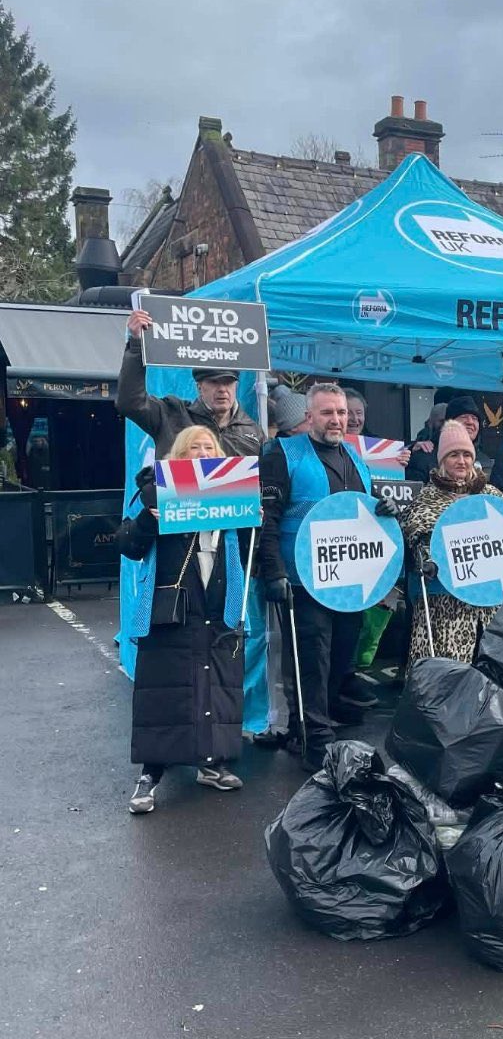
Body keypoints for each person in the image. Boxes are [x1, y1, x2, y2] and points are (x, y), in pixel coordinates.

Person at [258, 383, 398, 771]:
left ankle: (308, 724)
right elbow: (267, 518)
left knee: (341, 655)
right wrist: (273, 571)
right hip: (302, 578)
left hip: (349, 579)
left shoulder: (354, 455)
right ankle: (315, 738)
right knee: (311, 658)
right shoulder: (282, 454)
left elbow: (366, 506)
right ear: (309, 416)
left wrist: (384, 507)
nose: (336, 419)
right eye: (327, 413)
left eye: (341, 412)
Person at [117, 426, 248, 814]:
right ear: (177, 456)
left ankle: (211, 763)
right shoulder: (157, 492)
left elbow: (244, 551)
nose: (203, 453)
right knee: (164, 692)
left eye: (209, 447)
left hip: (217, 602)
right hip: (171, 606)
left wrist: (252, 518)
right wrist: (148, 519)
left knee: (215, 686)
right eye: (194, 448)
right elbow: (128, 545)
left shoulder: (233, 492)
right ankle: (151, 772)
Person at [400, 421, 503, 663]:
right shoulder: (426, 498)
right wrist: (429, 560)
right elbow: (418, 534)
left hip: (490, 602)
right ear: (442, 460)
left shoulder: (492, 496)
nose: (461, 461)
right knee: (447, 671)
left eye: (466, 454)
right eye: (453, 455)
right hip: (444, 602)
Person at [117, 309, 265, 458]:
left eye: (228, 383)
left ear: (236, 386)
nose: (222, 389)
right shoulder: (170, 415)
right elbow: (130, 403)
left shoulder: (253, 432)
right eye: (214, 382)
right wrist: (136, 345)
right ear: (199, 387)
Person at [406, 393, 503, 495]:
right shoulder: (423, 458)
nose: (470, 422)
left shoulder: (485, 460)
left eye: (475, 418)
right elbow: (411, 497)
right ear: (449, 423)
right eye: (464, 417)